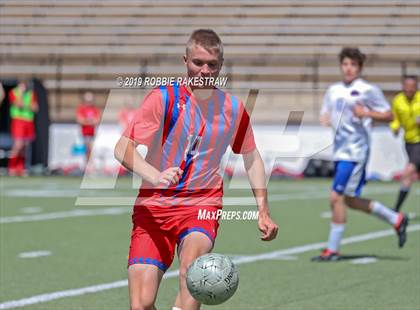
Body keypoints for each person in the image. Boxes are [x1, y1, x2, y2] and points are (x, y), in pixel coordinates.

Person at [114, 29, 278, 310]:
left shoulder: (232, 108)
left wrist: (263, 208)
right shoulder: (162, 98)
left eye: (212, 65)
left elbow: (251, 158)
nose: (204, 70)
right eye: (197, 62)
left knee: (195, 274)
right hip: (153, 209)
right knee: (140, 305)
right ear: (185, 60)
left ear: (220, 66)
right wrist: (154, 175)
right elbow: (123, 148)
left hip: (201, 206)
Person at [313, 47, 409, 262]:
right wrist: (326, 118)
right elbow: (325, 113)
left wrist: (367, 113)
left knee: (336, 197)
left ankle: (332, 249)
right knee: (350, 200)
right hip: (340, 151)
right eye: (345, 64)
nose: (348, 68)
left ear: (360, 67)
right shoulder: (333, 90)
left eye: (353, 65)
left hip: (356, 151)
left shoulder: (367, 89)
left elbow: (389, 114)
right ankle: (396, 218)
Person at [389, 75, 420, 212]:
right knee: (410, 174)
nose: (409, 90)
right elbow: (395, 118)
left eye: (412, 87)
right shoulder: (398, 101)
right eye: (407, 87)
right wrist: (394, 127)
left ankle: (395, 209)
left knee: (408, 171)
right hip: (408, 142)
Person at [8, 81, 38, 176]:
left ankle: (20, 168)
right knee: (18, 145)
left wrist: (27, 106)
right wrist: (21, 94)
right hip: (18, 121)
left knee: (25, 145)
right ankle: (11, 167)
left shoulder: (31, 93)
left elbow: (35, 108)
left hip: (28, 121)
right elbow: (18, 104)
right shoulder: (14, 92)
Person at [75, 91, 100, 164]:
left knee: (91, 150)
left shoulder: (95, 109)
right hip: (84, 133)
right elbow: (80, 120)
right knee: (86, 150)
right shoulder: (81, 109)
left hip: (92, 133)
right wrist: (90, 121)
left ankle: (90, 165)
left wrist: (86, 121)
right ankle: (86, 165)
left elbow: (97, 120)